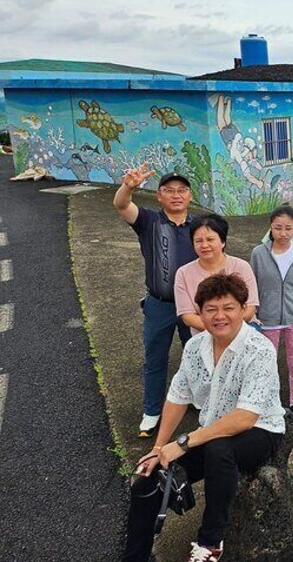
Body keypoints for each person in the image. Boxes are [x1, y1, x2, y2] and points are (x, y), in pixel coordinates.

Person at [122, 273, 286, 562]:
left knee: (219, 450)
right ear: (200, 313)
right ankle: (134, 557)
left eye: (229, 308)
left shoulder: (259, 350)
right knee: (148, 481)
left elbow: (245, 418)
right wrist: (159, 449)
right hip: (210, 432)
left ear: (243, 309)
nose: (219, 316)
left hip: (261, 430)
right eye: (211, 309)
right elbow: (177, 396)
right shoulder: (195, 347)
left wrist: (182, 443)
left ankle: (210, 542)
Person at [113, 164, 195, 438]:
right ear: (159, 196)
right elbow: (122, 205)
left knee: (197, 355)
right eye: (169, 191)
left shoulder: (200, 226)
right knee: (155, 358)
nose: (176, 195)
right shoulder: (148, 221)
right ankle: (151, 410)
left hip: (194, 306)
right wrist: (129, 187)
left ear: (190, 196)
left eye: (181, 190)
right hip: (159, 303)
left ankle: (197, 397)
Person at [250, 206, 293, 428]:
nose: (283, 233)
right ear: (270, 227)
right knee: (267, 364)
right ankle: (270, 404)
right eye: (278, 228)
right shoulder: (259, 253)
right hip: (266, 320)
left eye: (288, 228)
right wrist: (253, 315)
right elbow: (253, 287)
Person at [175, 214, 259, 336]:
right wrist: (217, 330)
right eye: (198, 241)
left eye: (210, 239)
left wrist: (227, 329)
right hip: (203, 335)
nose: (204, 245)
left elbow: (250, 308)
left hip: (241, 332)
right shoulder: (183, 273)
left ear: (223, 241)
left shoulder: (242, 266)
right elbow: (187, 316)